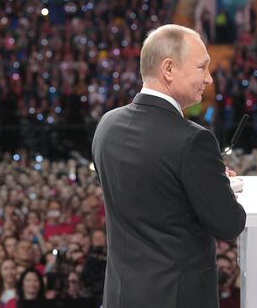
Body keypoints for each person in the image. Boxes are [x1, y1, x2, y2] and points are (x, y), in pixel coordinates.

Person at [91, 24, 246, 308]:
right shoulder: (193, 140)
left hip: (119, 297)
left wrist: (203, 177)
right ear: (169, 68)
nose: (209, 78)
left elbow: (150, 192)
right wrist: (219, 186)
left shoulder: (107, 126)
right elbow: (229, 224)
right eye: (202, 67)